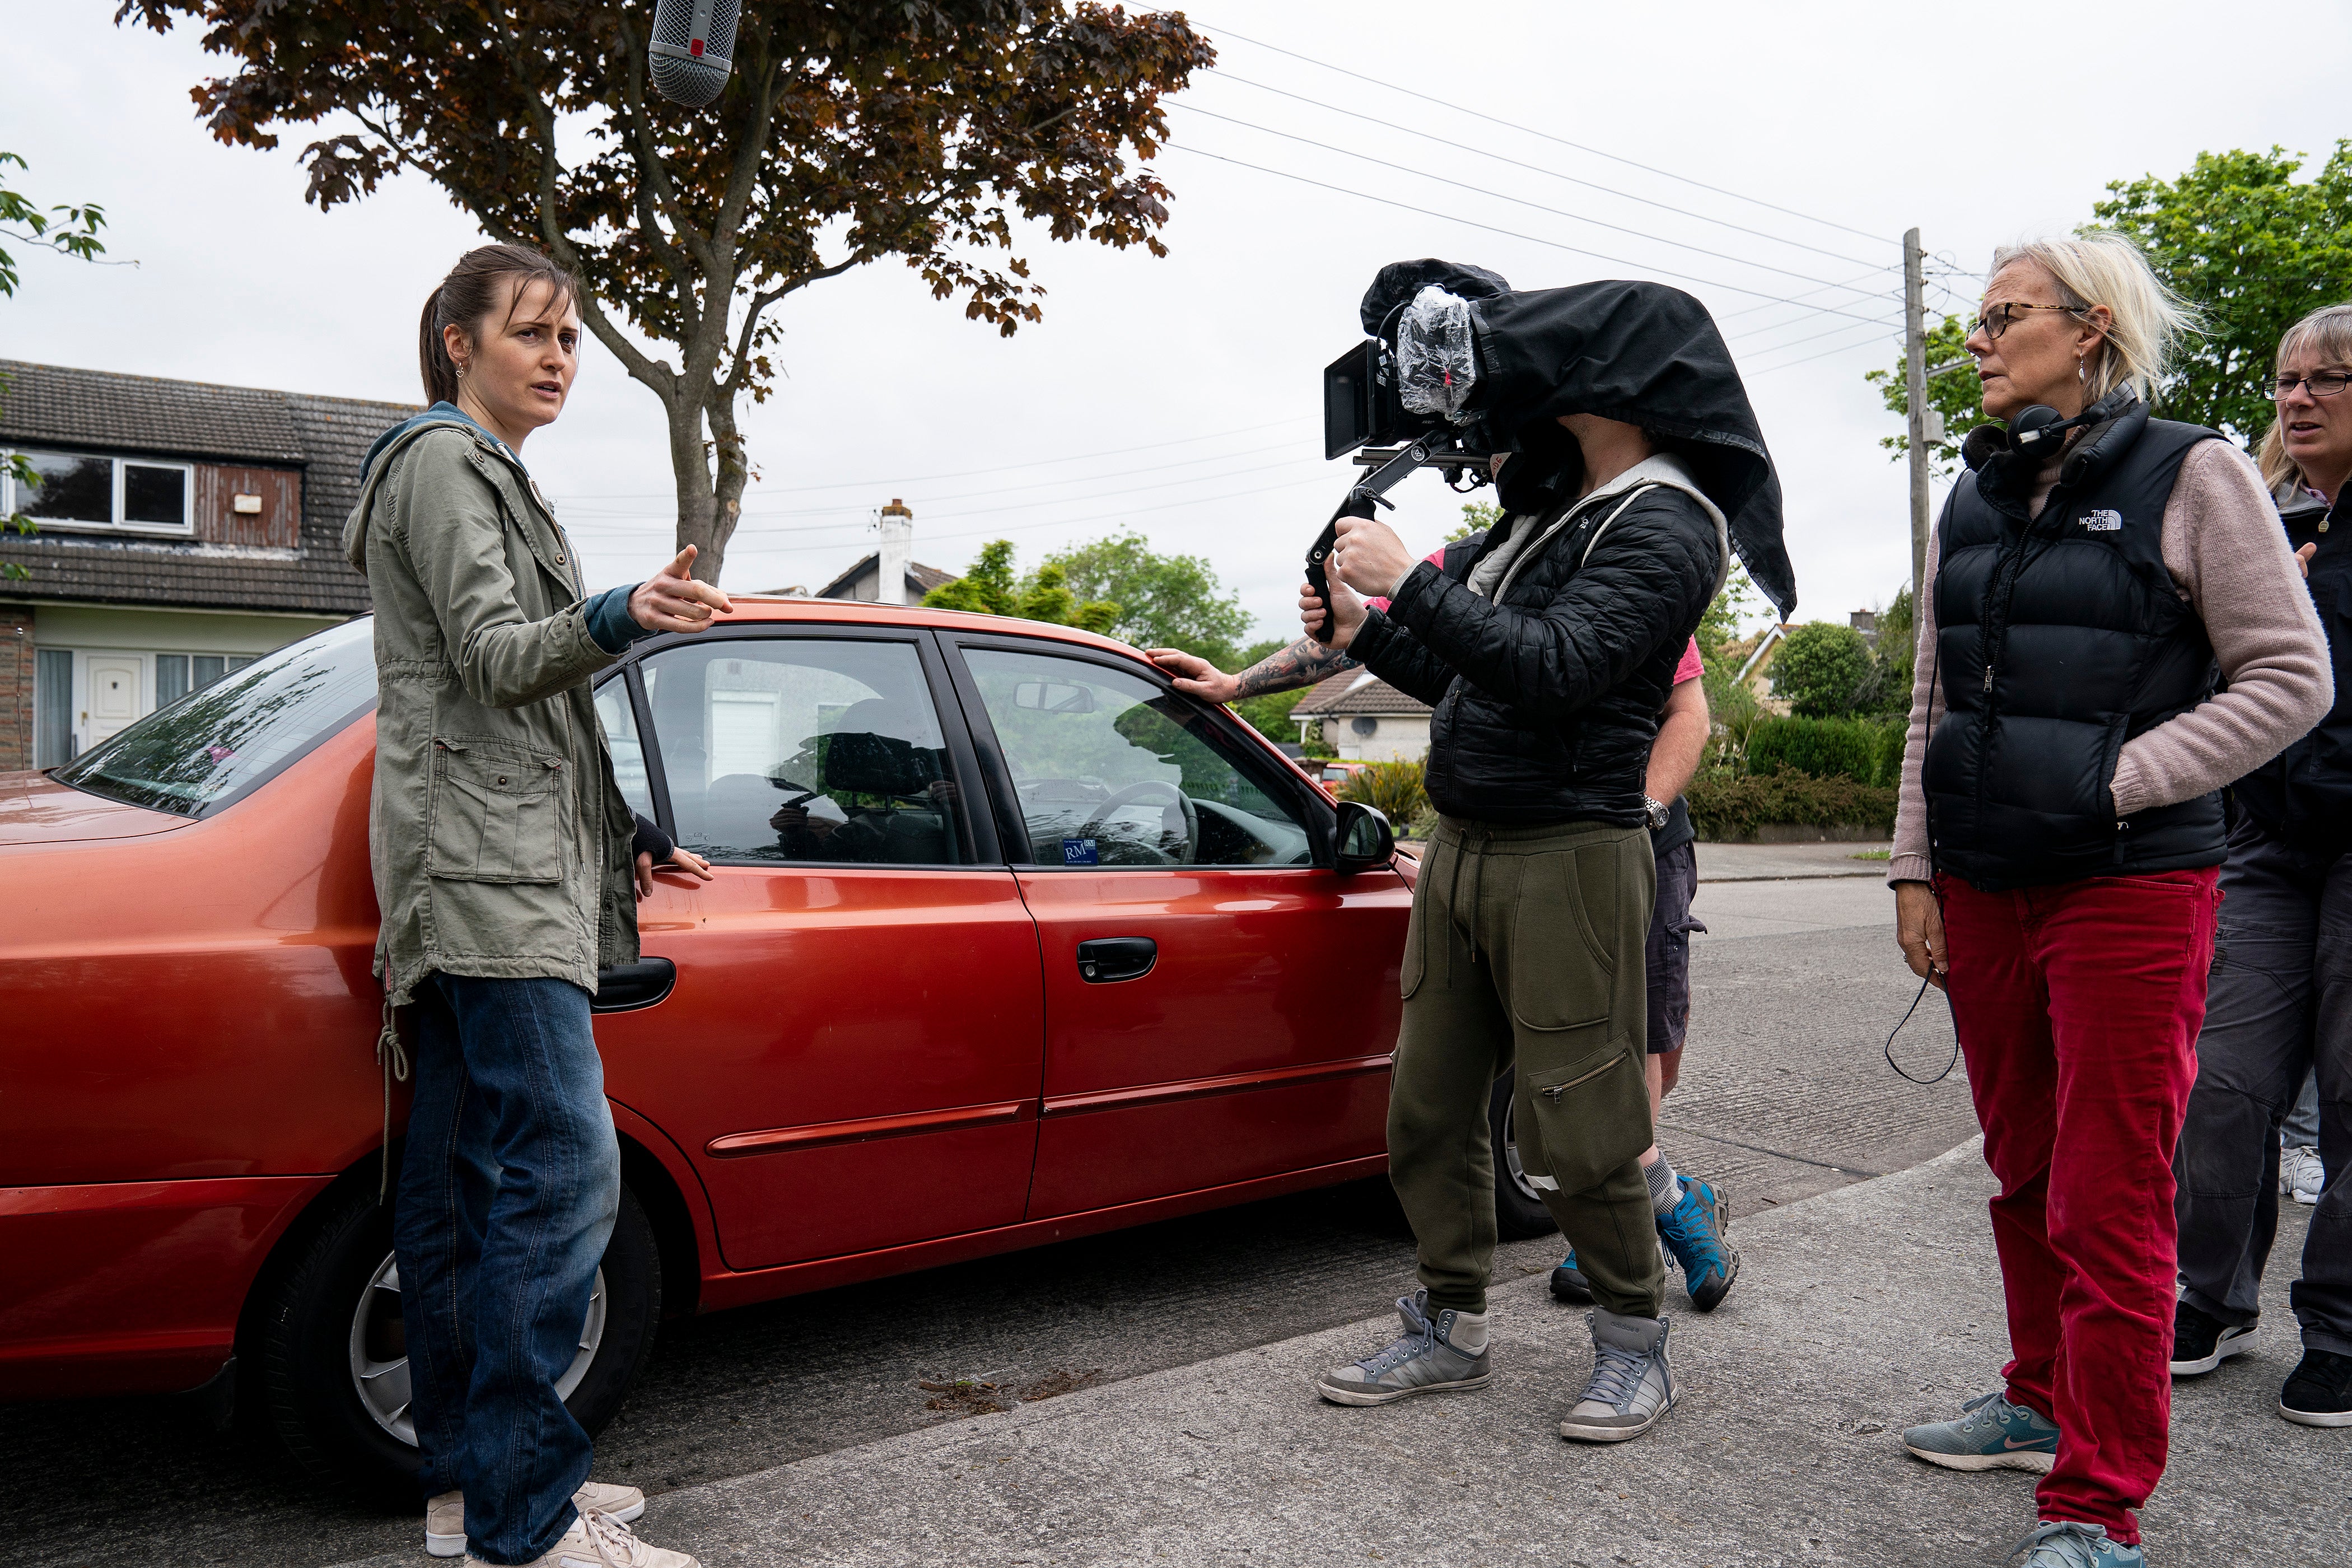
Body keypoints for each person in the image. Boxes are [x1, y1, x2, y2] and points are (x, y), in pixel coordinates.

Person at [1886, 234, 2330, 1567]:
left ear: (2090, 330)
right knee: (2020, 1172)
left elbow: (2288, 679)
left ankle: (2098, 1505)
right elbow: (1933, 701)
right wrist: (1916, 864)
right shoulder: (1971, 491)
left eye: (2001, 316)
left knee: (2111, 1196)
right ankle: (2033, 1401)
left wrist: (2114, 784)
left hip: (2130, 886)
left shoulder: (2195, 473)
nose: (1974, 339)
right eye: (1970, 320)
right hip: (1982, 884)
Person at [1297, 264, 1792, 1448]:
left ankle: (1634, 1340)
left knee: (1577, 1125)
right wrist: (1368, 625)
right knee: (1427, 1108)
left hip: (1573, 851)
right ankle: (1451, 1323)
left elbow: (1558, 667)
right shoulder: (1549, 508)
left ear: (1615, 383)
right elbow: (1473, 670)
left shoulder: (1672, 518)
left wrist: (1410, 578)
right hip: (1467, 843)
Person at [344, 244, 729, 1568]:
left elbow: (523, 717)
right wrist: (626, 610)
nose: (560, 357)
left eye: (569, 336)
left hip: (480, 872)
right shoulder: (448, 462)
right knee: (564, 1179)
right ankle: (526, 1520)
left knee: (464, 1192)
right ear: (457, 341)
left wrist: (626, 837)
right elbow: (501, 662)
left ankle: (471, 1494)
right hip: (489, 890)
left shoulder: (483, 473)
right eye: (531, 332)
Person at [1150, 618, 1739, 1314]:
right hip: (1516, 846)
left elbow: (1688, 713)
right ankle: (1655, 1207)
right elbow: (1350, 634)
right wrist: (1234, 684)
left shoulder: (1623, 570)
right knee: (1553, 1058)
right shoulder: (1462, 578)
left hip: (1635, 840)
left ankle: (1627, 1220)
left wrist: (1635, 817)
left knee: (1629, 1043)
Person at [2168, 300, 2352, 1429]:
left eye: (2329, 377)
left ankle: (2337, 1328)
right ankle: (2210, 1294)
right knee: (2223, 1081)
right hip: (2270, 841)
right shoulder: (2268, 521)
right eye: (2289, 379)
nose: (2299, 396)